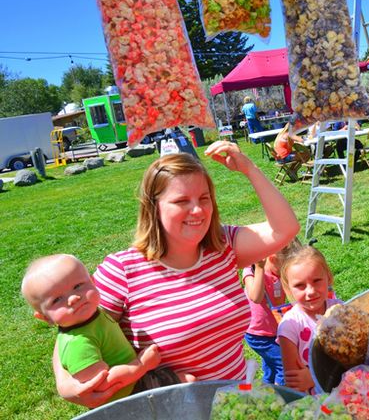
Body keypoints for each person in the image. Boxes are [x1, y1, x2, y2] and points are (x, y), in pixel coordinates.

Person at [53, 146, 300, 407]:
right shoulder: (123, 270)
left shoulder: (223, 245)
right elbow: (75, 329)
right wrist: (65, 382)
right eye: (182, 201)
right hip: (170, 410)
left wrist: (249, 169)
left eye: (204, 198)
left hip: (235, 405)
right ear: (154, 206)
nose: (198, 210)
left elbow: (285, 229)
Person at [22, 255, 190, 404]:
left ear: (93, 282)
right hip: (128, 398)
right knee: (188, 385)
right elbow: (102, 383)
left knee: (189, 383)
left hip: (134, 383)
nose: (73, 298)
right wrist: (141, 365)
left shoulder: (92, 314)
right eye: (57, 299)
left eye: (78, 286)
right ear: (45, 317)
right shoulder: (79, 342)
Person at [277, 246, 341, 393]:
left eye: (317, 280)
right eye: (300, 285)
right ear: (288, 288)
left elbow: (357, 357)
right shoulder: (289, 326)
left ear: (329, 277)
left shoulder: (339, 311)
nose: (310, 291)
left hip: (346, 393)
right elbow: (296, 382)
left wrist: (315, 376)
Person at [242, 239, 302, 385]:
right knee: (284, 365)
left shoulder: (281, 274)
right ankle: (280, 397)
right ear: (273, 259)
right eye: (286, 265)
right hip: (258, 334)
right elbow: (256, 297)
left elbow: (291, 299)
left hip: (274, 331)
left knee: (271, 366)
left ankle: (265, 390)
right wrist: (260, 268)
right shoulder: (251, 271)